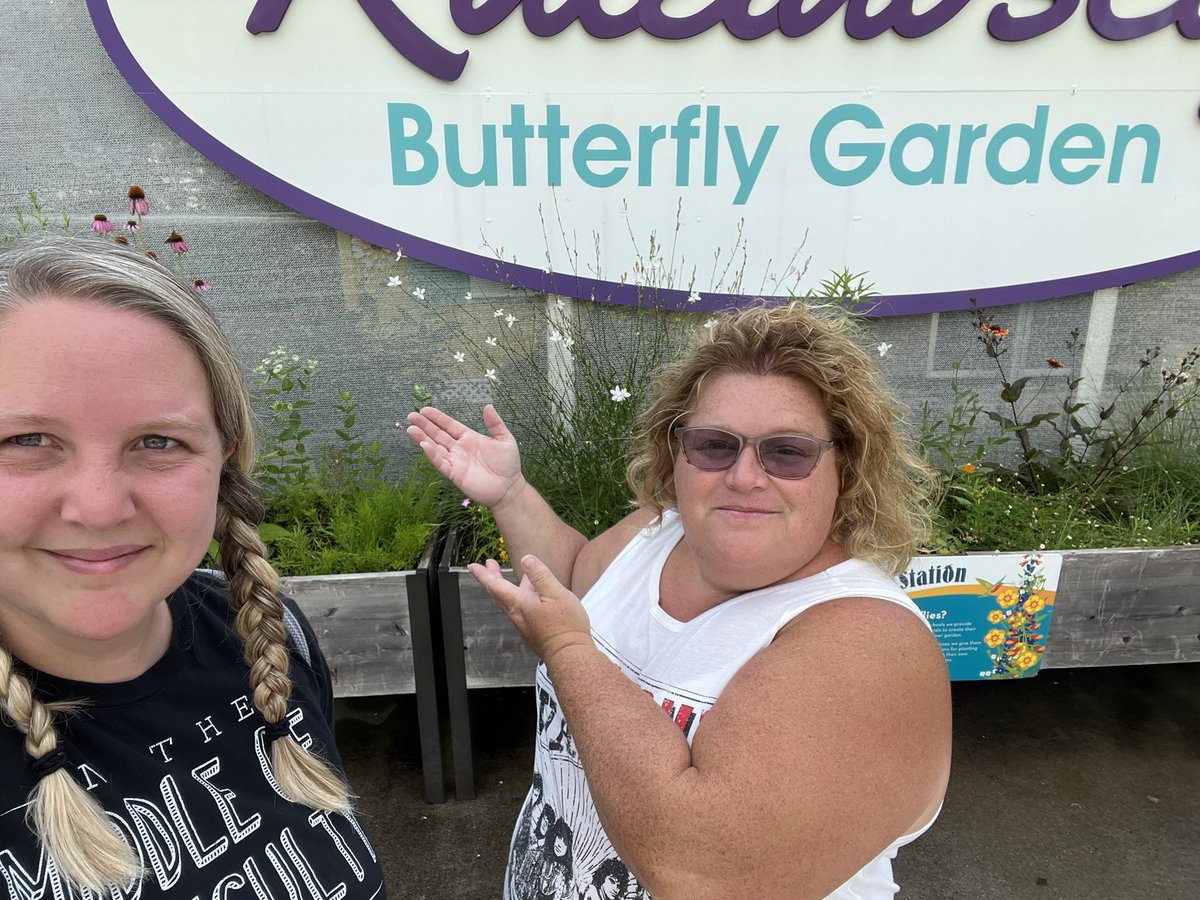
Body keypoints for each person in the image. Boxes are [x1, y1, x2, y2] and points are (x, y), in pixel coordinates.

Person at [407, 303, 952, 899]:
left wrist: (565, 647)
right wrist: (511, 495)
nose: (745, 476)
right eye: (715, 446)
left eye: (787, 452)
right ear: (677, 452)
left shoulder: (868, 639)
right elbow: (579, 584)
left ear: (845, 466)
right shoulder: (661, 528)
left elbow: (698, 872)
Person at [0, 239, 385, 899]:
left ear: (222, 462)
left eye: (158, 441)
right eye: (27, 441)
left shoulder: (266, 634)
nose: (97, 507)